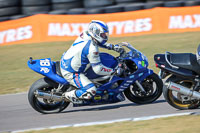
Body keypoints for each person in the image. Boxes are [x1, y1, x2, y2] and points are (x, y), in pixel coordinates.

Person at [60, 20, 124, 103]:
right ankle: (65, 96)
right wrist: (114, 71)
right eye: (102, 34)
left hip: (68, 60)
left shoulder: (86, 34)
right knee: (91, 90)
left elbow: (98, 41)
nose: (105, 36)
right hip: (72, 72)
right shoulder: (92, 50)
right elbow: (98, 69)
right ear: (95, 33)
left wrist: (112, 47)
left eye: (105, 34)